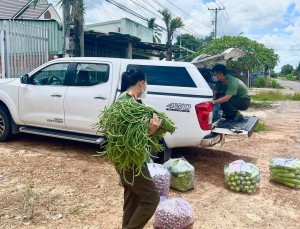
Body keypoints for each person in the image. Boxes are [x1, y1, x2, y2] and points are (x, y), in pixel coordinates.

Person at [117, 67, 160, 229]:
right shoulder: (127, 101)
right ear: (141, 83)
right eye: (145, 83)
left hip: (127, 157)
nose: (146, 87)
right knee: (151, 198)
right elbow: (130, 137)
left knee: (133, 197)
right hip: (131, 158)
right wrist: (151, 131)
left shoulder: (129, 100)